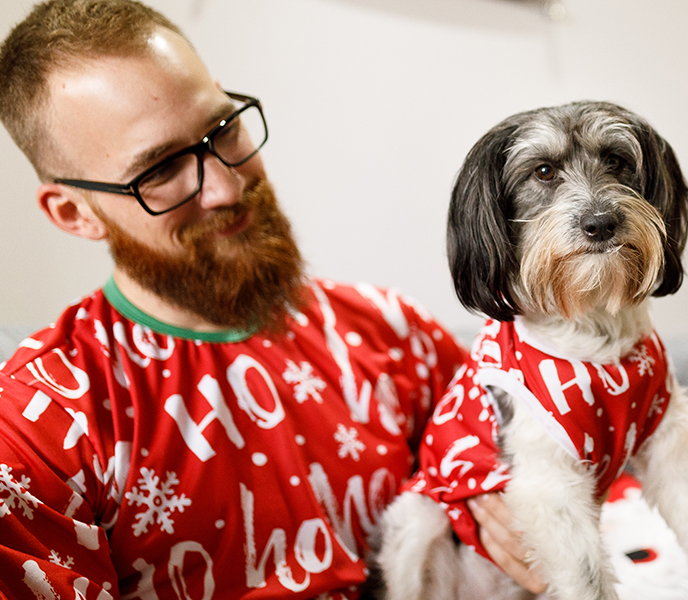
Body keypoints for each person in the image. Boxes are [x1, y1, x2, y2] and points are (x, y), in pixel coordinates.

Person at [0, 1, 542, 597]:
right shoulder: (38, 432)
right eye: (160, 169)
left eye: (223, 129)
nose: (229, 185)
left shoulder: (391, 330)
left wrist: (516, 510)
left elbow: (561, 453)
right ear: (74, 212)